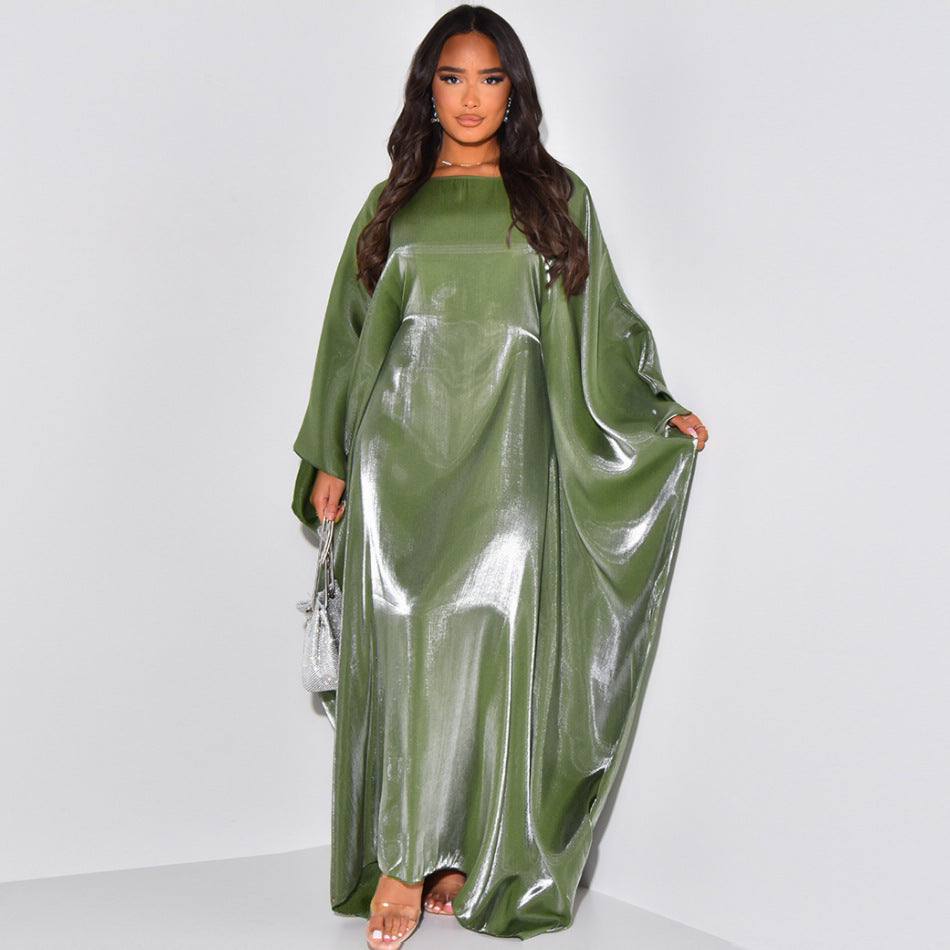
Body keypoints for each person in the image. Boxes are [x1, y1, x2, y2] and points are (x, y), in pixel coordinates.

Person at [292, 6, 707, 948]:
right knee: (406, 643)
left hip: (511, 456)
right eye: (451, 78)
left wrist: (654, 409)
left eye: (489, 79)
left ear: (513, 92)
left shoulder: (557, 198)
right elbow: (347, 334)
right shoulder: (391, 203)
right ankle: (403, 858)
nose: (470, 97)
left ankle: (460, 844)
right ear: (427, 91)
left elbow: (602, 321)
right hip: (400, 458)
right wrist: (329, 454)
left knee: (489, 642)